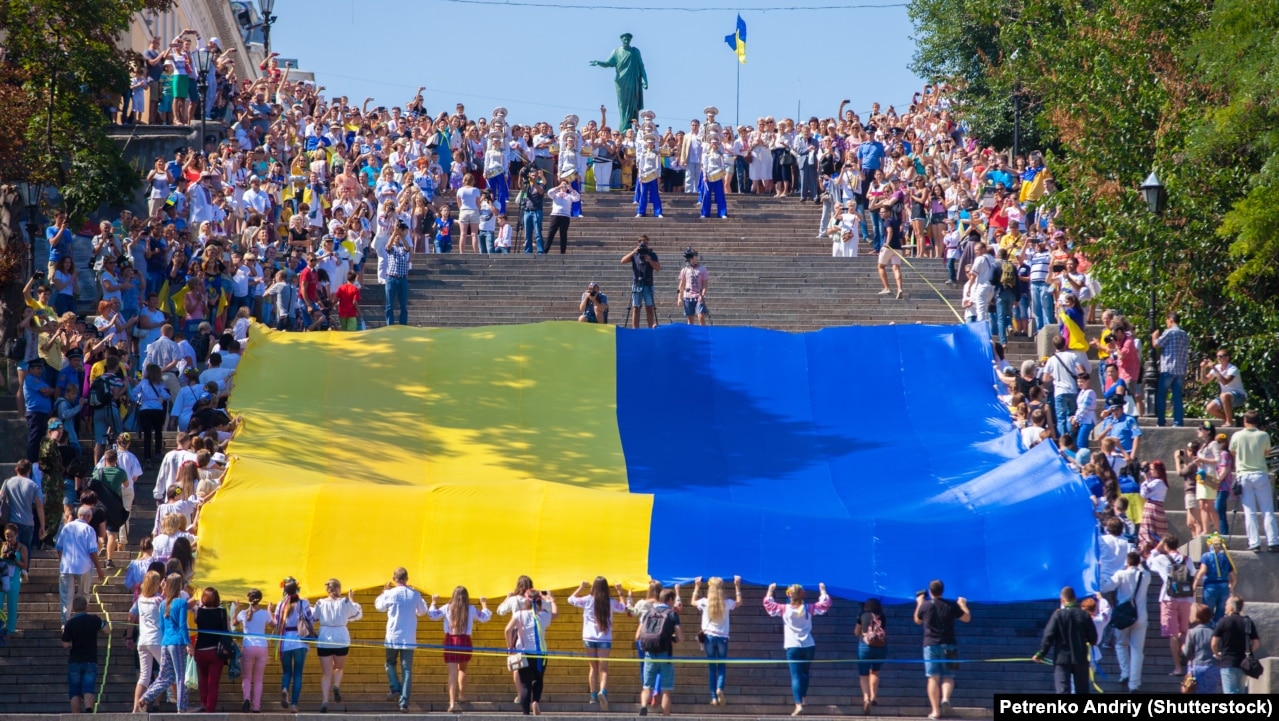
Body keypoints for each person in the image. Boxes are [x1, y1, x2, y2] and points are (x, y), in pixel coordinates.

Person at [763, 582, 831, 717]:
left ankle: (798, 704)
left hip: (792, 645)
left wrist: (770, 591)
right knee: (805, 674)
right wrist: (823, 591)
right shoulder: (808, 608)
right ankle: (804, 697)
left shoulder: (784, 609)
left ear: (789, 595)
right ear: (803, 595)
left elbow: (769, 606)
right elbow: (825, 605)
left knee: (795, 676)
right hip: (809, 645)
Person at [915, 579, 972, 721]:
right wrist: (963, 605)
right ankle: (945, 698)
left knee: (933, 677)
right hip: (950, 644)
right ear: (943, 591)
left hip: (930, 645)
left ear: (930, 591)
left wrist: (919, 603)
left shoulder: (926, 605)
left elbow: (917, 620)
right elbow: (966, 618)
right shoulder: (951, 605)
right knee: (949, 675)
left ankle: (935, 711)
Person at [428, 586, 492, 712]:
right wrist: (484, 604)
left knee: (452, 673)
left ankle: (451, 703)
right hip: (465, 641)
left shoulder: (447, 607)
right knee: (462, 668)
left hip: (450, 641)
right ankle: (461, 695)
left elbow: (432, 615)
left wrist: (433, 602)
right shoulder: (471, 608)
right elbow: (485, 617)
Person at [568, 577, 628, 709]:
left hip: (589, 638)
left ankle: (593, 696)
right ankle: (603, 691)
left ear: (593, 587)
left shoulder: (587, 600)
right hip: (604, 639)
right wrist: (620, 591)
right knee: (603, 668)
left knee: (593, 668)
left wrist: (581, 587)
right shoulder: (610, 602)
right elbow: (624, 607)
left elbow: (570, 599)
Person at [375, 567, 428, 712]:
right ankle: (404, 701)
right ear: (407, 579)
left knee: (390, 663)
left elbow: (379, 606)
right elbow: (423, 611)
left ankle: (395, 688)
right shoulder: (415, 594)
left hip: (392, 636)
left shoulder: (390, 593)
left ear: (394, 579)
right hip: (409, 637)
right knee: (407, 669)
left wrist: (384, 592)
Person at [137, 573, 190, 713]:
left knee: (165, 676)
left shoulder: (162, 604)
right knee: (180, 675)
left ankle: (145, 698)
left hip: (165, 642)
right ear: (179, 586)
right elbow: (183, 625)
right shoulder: (181, 603)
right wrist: (188, 643)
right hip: (177, 642)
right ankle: (182, 707)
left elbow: (162, 626)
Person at [1033, 586, 1098, 694]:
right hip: (1080, 658)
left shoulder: (1058, 615)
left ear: (1062, 600)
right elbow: (1093, 638)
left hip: (1062, 659)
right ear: (1075, 598)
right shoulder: (1084, 615)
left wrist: (1041, 654)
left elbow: (1048, 636)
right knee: (1082, 691)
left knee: (1063, 690)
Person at [689, 576, 741, 708]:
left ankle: (713, 697)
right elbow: (739, 602)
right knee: (722, 666)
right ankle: (720, 689)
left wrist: (697, 586)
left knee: (712, 668)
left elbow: (692, 602)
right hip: (723, 637)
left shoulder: (705, 602)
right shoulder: (727, 603)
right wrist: (737, 585)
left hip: (708, 637)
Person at [1148, 535, 1196, 675]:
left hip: (1169, 597)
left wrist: (1157, 547)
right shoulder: (1186, 559)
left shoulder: (1161, 559)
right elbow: (1193, 573)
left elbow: (1149, 562)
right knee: (1185, 631)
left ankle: (1178, 668)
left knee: (1173, 634)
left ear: (1165, 545)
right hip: (1186, 597)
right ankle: (1187, 661)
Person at [506, 588, 558, 716]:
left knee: (525, 684)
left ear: (526, 601)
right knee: (538, 680)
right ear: (539, 601)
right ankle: (535, 701)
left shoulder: (519, 614)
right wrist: (551, 600)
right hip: (541, 654)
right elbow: (556, 613)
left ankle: (525, 714)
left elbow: (507, 630)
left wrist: (510, 647)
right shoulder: (544, 615)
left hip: (523, 653)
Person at [314, 578, 363, 713]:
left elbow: (314, 616)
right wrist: (351, 599)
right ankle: (336, 685)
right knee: (339, 668)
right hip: (341, 637)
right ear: (338, 589)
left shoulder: (320, 602)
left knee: (326, 673)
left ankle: (325, 701)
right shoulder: (345, 601)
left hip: (324, 637)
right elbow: (356, 614)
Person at [1229, 411, 1275, 552]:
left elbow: (1232, 451)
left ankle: (1254, 542)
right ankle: (1273, 541)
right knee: (1267, 509)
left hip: (1244, 475)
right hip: (1260, 473)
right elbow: (1266, 452)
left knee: (1250, 511)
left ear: (1245, 420)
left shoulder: (1237, 435)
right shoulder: (1263, 435)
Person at [637, 586, 682, 717]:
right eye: (673, 601)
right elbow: (681, 638)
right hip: (665, 654)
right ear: (670, 599)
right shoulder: (672, 614)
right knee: (666, 690)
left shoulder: (648, 613)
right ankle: (666, 716)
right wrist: (672, 637)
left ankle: (644, 706)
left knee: (646, 687)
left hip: (649, 654)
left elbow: (638, 635)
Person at [55, 505, 103, 624]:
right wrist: (99, 568)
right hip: (84, 567)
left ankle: (65, 623)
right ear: (88, 517)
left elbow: (59, 547)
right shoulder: (89, 529)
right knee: (83, 594)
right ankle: (81, 619)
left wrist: (63, 560)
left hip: (66, 566)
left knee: (66, 597)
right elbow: (93, 551)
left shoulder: (66, 528)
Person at [61, 595, 109, 714]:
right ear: (86, 606)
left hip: (75, 660)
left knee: (74, 692)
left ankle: (76, 717)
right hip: (90, 660)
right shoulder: (94, 619)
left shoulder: (70, 623)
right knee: (89, 688)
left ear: (73, 608)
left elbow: (65, 644)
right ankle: (89, 710)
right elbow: (107, 631)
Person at [1111, 551, 1150, 693]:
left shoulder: (1121, 574)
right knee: (1137, 650)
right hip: (1140, 616)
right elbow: (1143, 569)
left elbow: (1108, 586)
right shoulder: (1146, 576)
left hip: (1123, 615)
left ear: (1127, 562)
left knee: (1121, 644)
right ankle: (1134, 684)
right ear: (1139, 562)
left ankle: (1125, 672)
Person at [274, 577, 313, 712]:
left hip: (285, 642)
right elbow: (310, 619)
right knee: (298, 674)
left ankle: (285, 688)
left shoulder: (280, 605)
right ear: (297, 588)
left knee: (286, 672)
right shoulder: (304, 603)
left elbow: (276, 622)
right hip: (300, 641)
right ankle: (294, 705)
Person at [128, 570, 164, 713]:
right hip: (156, 640)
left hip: (142, 640)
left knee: (144, 676)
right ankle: (178, 702)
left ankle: (135, 708)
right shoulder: (158, 600)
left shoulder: (140, 599)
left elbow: (131, 615)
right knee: (168, 672)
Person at [235, 588, 274, 713]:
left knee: (246, 678)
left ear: (249, 599)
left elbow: (233, 623)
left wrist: (236, 608)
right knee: (258, 679)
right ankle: (256, 706)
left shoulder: (243, 613)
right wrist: (270, 610)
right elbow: (274, 625)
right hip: (262, 647)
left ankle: (246, 699)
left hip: (248, 646)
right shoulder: (264, 614)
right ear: (260, 599)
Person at [1212, 596, 1261, 694]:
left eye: (1226, 605)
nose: (1225, 607)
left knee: (1230, 691)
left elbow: (1214, 643)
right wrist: (1248, 652)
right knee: (1241, 691)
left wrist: (1217, 654)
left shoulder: (1224, 621)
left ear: (1231, 607)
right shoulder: (1247, 621)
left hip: (1227, 662)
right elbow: (1256, 643)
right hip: (1243, 663)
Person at [192, 587, 230, 712]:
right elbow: (227, 631)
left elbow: (195, 620)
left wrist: (201, 604)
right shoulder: (222, 612)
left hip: (200, 651)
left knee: (203, 678)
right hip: (215, 652)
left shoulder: (199, 611)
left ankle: (203, 703)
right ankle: (210, 708)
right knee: (213, 682)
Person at [1151, 311, 1190, 427]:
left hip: (1168, 368)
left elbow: (1157, 344)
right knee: (1177, 397)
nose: (1166, 324)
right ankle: (1178, 422)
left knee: (1161, 395)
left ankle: (1161, 421)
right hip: (1180, 369)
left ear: (1171, 320)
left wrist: (1154, 337)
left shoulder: (1169, 332)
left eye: (1167, 321)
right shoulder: (1184, 334)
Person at [2, 460, 45, 554]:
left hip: (12, 521)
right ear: (29, 471)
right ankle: (25, 568)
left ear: (16, 469)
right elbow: (39, 506)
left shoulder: (8, 482)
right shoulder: (33, 485)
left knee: (12, 549)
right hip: (28, 522)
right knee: (25, 551)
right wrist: (42, 525)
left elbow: (1, 499)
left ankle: (14, 568)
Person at [854, 597, 888, 714]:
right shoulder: (881, 616)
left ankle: (866, 698)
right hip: (880, 647)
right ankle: (874, 697)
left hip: (865, 647)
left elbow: (856, 632)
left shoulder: (862, 614)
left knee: (863, 675)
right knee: (875, 671)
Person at [1199, 349, 1246, 425]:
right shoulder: (1217, 367)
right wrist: (1203, 369)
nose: (1218, 358)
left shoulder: (1233, 369)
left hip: (1240, 396)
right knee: (1210, 408)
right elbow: (1204, 381)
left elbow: (1225, 382)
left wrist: (1214, 368)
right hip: (1225, 397)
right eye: (1217, 356)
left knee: (1224, 395)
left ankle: (1229, 422)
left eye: (1220, 356)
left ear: (1227, 358)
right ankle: (1231, 421)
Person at [623, 236, 661, 329]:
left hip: (648, 284)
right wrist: (634, 251)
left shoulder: (652, 254)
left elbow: (657, 268)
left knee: (649, 308)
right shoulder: (635, 255)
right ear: (638, 243)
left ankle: (650, 328)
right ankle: (635, 329)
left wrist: (649, 260)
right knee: (636, 308)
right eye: (642, 243)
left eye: (646, 243)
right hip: (637, 284)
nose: (644, 245)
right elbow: (622, 261)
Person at [0, 523, 30, 638]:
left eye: (11, 536)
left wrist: (15, 560)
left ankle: (10, 629)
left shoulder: (22, 548)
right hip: (2, 578)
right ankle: (0, 626)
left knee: (12, 605)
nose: (9, 539)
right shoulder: (2, 545)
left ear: (16, 535)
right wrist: (3, 556)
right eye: (7, 536)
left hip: (14, 578)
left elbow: (24, 565)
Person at [1182, 603, 1219, 694]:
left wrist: (1183, 647)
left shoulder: (1191, 632)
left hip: (1196, 667)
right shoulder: (1214, 632)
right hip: (1212, 667)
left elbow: (1186, 653)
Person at [384, 221, 411, 327]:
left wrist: (400, 234)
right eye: (395, 236)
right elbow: (388, 246)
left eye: (398, 236)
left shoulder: (402, 247)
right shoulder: (391, 248)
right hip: (391, 278)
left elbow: (407, 248)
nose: (397, 237)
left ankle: (403, 324)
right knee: (389, 305)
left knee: (403, 305)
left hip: (402, 278)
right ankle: (389, 325)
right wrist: (395, 232)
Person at [876, 207, 905, 299]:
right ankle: (899, 288)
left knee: (880, 266)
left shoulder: (887, 221)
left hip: (889, 247)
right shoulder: (895, 221)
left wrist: (887, 242)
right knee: (896, 268)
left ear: (889, 212)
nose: (881, 214)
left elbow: (890, 231)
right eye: (880, 213)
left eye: (883, 212)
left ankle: (886, 287)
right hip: (898, 247)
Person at [677, 248, 710, 325]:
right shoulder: (684, 270)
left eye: (693, 256)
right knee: (690, 318)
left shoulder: (702, 269)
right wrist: (679, 297)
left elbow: (705, 285)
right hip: (688, 296)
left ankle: (703, 331)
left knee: (701, 316)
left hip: (698, 295)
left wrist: (702, 295)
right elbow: (681, 285)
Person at [547, 177, 580, 254]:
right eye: (563, 184)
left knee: (563, 235)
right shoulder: (556, 194)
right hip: (555, 215)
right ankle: (545, 251)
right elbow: (549, 193)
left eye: (566, 184)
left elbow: (577, 198)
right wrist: (559, 186)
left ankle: (563, 252)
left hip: (565, 216)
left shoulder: (569, 195)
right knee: (551, 233)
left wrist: (571, 189)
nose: (564, 186)